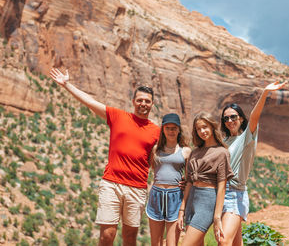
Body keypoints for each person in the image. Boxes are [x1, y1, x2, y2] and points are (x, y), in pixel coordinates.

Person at [49, 68, 160, 246]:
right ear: (133, 102)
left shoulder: (156, 131)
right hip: (112, 184)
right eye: (139, 100)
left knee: (130, 237)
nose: (143, 104)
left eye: (147, 101)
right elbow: (90, 102)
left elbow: (159, 158)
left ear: (152, 104)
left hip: (137, 188)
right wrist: (67, 85)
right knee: (107, 235)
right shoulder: (118, 116)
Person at [219, 81, 286, 246]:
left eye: (233, 117)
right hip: (219, 194)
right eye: (226, 118)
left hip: (235, 194)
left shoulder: (247, 138)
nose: (229, 120)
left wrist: (264, 93)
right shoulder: (223, 141)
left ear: (241, 119)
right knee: (235, 242)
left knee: (223, 240)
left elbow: (255, 116)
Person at [177, 112, 234, 245]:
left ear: (212, 127)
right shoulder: (195, 152)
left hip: (207, 202)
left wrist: (217, 217)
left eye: (205, 127)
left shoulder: (222, 152)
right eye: (198, 128)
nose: (202, 131)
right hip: (192, 200)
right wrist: (182, 210)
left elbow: (221, 187)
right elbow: (190, 182)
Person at [146, 113, 191, 246]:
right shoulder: (156, 150)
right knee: (156, 242)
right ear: (163, 130)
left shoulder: (186, 151)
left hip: (175, 197)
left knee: (172, 243)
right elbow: (152, 171)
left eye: (174, 128)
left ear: (178, 130)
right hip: (156, 195)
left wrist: (183, 205)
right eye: (168, 128)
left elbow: (189, 180)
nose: (171, 131)